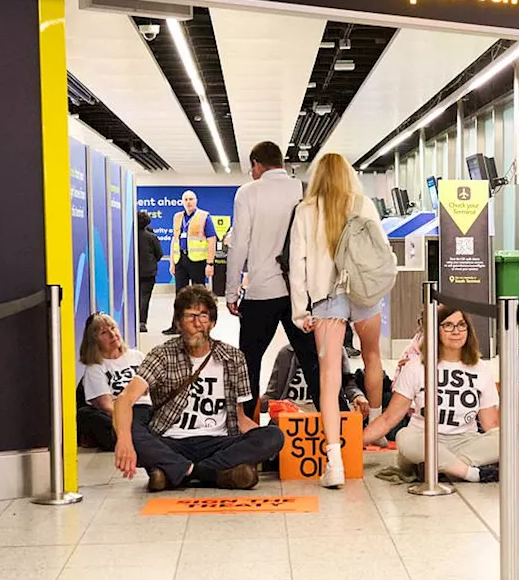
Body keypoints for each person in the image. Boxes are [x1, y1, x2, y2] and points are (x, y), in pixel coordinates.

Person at [111, 286, 283, 491]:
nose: (197, 323)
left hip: (217, 442)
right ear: (178, 322)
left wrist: (268, 442)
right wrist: (123, 440)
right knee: (123, 428)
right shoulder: (162, 355)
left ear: (212, 323)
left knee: (274, 436)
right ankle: (215, 473)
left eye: (203, 316)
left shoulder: (233, 358)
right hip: (170, 441)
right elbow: (124, 399)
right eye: (190, 316)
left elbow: (240, 418)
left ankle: (179, 472)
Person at [289, 152, 390, 489]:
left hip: (326, 298)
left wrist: (300, 311)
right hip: (364, 292)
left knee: (329, 380)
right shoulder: (362, 203)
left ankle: (334, 463)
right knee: (373, 355)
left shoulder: (305, 211)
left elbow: (297, 265)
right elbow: (381, 249)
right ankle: (375, 429)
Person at [225, 141, 322, 414]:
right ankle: (336, 426)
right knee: (313, 361)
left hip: (262, 292)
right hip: (298, 293)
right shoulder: (303, 189)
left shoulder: (247, 193)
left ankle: (249, 426)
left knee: (250, 362)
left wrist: (232, 293)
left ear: (256, 164)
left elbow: (239, 245)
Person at [363, 306, 500, 483]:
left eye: (461, 325)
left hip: (465, 442)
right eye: (448, 325)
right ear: (435, 330)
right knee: (404, 437)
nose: (456, 331)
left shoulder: (481, 369)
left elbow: (491, 423)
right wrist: (352, 443)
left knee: (505, 440)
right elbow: (389, 418)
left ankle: (441, 467)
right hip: (424, 439)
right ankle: (468, 473)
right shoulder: (415, 367)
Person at [77, 313, 151, 451]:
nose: (112, 334)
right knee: (87, 415)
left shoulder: (137, 356)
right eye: (104, 332)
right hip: (118, 414)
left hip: (145, 409)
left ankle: (138, 436)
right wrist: (125, 421)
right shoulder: (95, 368)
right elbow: (107, 406)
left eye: (113, 328)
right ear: (94, 341)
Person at [163, 189, 216, 334]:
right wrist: (172, 262)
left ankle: (201, 324)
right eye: (185, 199)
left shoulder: (204, 216)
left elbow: (211, 240)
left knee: (199, 294)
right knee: (180, 294)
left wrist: (210, 263)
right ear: (182, 202)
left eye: (191, 199)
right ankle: (177, 325)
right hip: (181, 259)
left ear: (196, 201)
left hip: (198, 261)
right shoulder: (178, 217)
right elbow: (175, 239)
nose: (188, 202)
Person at [265, 342, 367, 414]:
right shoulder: (286, 353)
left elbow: (348, 383)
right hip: (292, 412)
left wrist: (357, 396)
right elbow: (272, 394)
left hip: (327, 412)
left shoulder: (338, 350)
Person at [137, 211, 163, 332]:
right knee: (145, 297)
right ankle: (142, 322)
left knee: (134, 296)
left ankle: (133, 319)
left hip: (134, 272)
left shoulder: (130, 237)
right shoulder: (152, 237)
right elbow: (159, 254)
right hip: (149, 272)